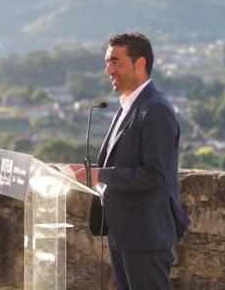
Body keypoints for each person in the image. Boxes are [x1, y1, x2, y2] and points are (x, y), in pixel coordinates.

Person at [69, 32, 190, 290]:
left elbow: (154, 174)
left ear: (140, 63)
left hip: (145, 235)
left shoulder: (155, 108)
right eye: (107, 62)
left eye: (115, 62)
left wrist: (100, 175)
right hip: (123, 232)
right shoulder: (129, 105)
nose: (107, 70)